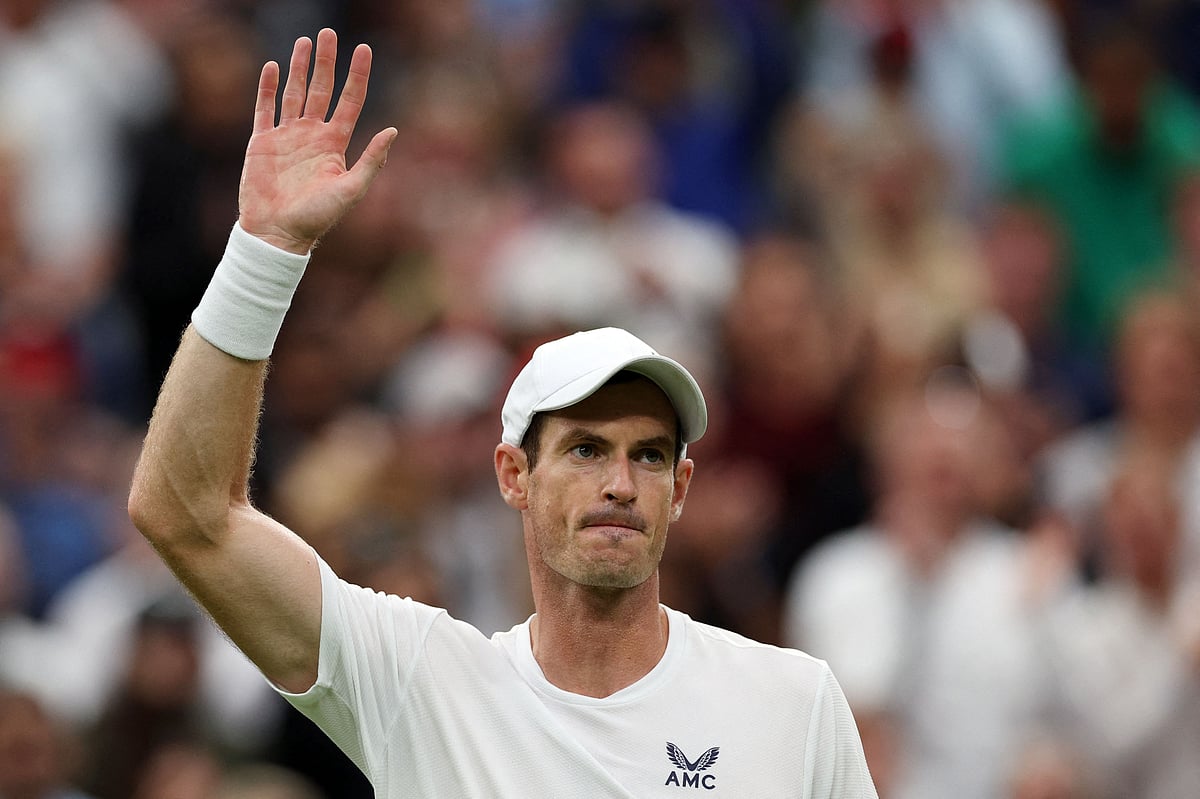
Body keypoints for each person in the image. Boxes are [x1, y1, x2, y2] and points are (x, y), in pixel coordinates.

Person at [126, 28, 877, 797]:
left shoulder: (793, 702)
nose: (620, 480)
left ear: (681, 488)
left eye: (649, 454)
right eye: (585, 449)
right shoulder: (420, 682)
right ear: (514, 474)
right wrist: (264, 253)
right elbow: (187, 514)